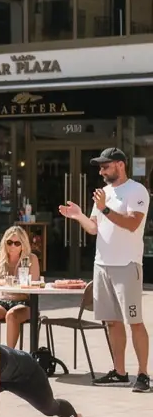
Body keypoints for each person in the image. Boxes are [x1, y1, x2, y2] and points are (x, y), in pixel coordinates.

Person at [60, 147, 149, 392]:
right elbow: (93, 228)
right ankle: (119, 372)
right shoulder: (104, 193)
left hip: (127, 265)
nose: (101, 172)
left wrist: (105, 209)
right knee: (112, 322)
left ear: (120, 165)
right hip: (102, 264)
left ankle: (143, 374)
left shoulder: (136, 190)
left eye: (105, 166)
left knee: (135, 321)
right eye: (100, 168)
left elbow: (132, 223)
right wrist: (78, 215)